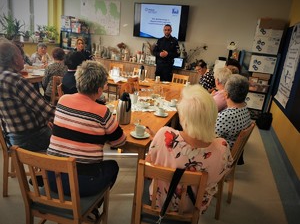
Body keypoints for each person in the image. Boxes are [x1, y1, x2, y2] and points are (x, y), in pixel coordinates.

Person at [146, 84, 232, 214]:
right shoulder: (222, 147)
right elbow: (220, 176)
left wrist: (157, 141)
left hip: (159, 202)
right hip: (194, 207)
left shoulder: (164, 135)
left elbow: (148, 170)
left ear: (184, 118)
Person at [47, 60, 126, 197]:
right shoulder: (102, 111)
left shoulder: (63, 100)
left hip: (51, 178)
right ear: (100, 89)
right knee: (113, 166)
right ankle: (92, 206)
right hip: (81, 184)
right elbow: (120, 143)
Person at [0, 40, 55, 152]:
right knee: (68, 140)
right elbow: (48, 111)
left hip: (12, 138)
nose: (23, 57)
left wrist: (44, 120)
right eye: (21, 54)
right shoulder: (16, 81)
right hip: (31, 138)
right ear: (15, 60)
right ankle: (55, 168)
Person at [215, 75, 251, 165]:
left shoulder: (226, 116)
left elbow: (208, 137)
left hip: (222, 154)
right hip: (230, 149)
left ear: (226, 94)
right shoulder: (245, 109)